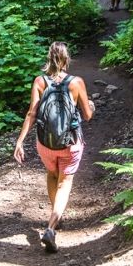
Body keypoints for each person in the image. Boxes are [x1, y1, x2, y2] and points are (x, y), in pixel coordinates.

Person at [14, 42, 95, 253]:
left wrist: (20, 141)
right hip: (70, 144)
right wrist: (91, 106)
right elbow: (87, 116)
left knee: (52, 174)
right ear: (67, 59)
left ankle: (55, 216)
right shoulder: (76, 82)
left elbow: (32, 114)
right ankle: (51, 226)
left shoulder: (40, 81)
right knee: (65, 182)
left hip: (45, 144)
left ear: (48, 58)